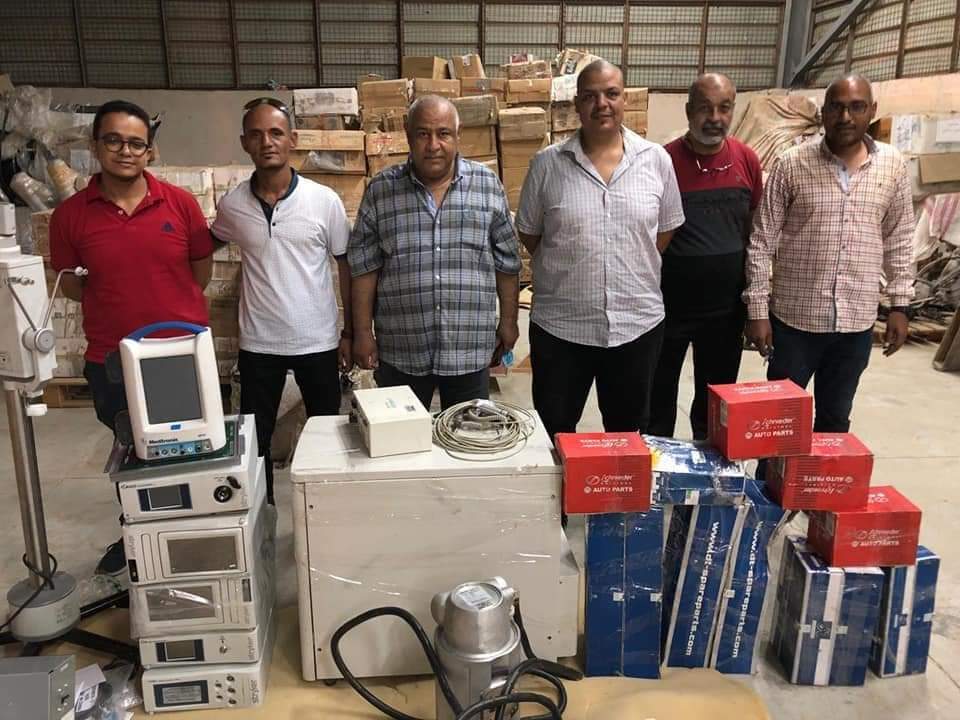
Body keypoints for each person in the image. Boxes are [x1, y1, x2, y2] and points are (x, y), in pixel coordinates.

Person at [50, 99, 213, 575]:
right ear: (95, 145)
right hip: (113, 359)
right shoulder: (71, 216)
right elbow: (73, 285)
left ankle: (190, 535)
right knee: (131, 453)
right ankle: (138, 534)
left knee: (187, 449)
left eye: (136, 143)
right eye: (114, 141)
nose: (126, 151)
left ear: (150, 151)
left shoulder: (179, 204)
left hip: (178, 354)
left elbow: (199, 272)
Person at [516, 60, 685, 440]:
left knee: (628, 436)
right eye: (590, 96)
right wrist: (574, 261)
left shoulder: (656, 160)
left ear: (624, 99)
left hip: (636, 326)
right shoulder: (547, 165)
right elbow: (530, 232)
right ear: (577, 104)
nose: (602, 104)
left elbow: (665, 228)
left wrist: (630, 258)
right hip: (561, 328)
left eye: (611, 94)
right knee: (555, 434)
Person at [744, 74, 915, 433]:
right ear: (823, 112)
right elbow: (761, 241)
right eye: (836, 107)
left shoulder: (892, 166)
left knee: (835, 421)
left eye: (856, 107)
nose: (845, 117)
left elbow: (899, 238)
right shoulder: (792, 164)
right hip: (795, 323)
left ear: (872, 110)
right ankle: (773, 474)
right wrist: (757, 312)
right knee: (779, 425)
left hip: (855, 324)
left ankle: (823, 473)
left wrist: (900, 305)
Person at [212, 97, 352, 504]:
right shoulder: (233, 205)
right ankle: (264, 514)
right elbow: (207, 243)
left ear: (293, 139)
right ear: (244, 142)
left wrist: (350, 332)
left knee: (326, 435)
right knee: (255, 441)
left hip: (318, 342)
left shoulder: (323, 201)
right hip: (259, 345)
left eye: (276, 133)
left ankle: (324, 512)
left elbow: (345, 264)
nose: (266, 142)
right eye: (256, 135)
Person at [348, 95, 521, 411]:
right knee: (399, 436)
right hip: (402, 349)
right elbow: (363, 267)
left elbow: (507, 262)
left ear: (458, 135)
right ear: (407, 134)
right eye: (422, 134)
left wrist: (509, 321)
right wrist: (362, 333)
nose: (433, 145)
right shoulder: (381, 191)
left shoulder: (487, 185)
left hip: (468, 348)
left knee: (467, 435)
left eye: (443, 133)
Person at [649, 73, 763, 440]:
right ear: (688, 111)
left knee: (715, 406)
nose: (714, 118)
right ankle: (659, 463)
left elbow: (756, 233)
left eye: (724, 108)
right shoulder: (663, 161)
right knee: (657, 399)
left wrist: (756, 304)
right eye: (704, 108)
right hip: (667, 309)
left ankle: (709, 468)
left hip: (725, 312)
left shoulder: (746, 160)